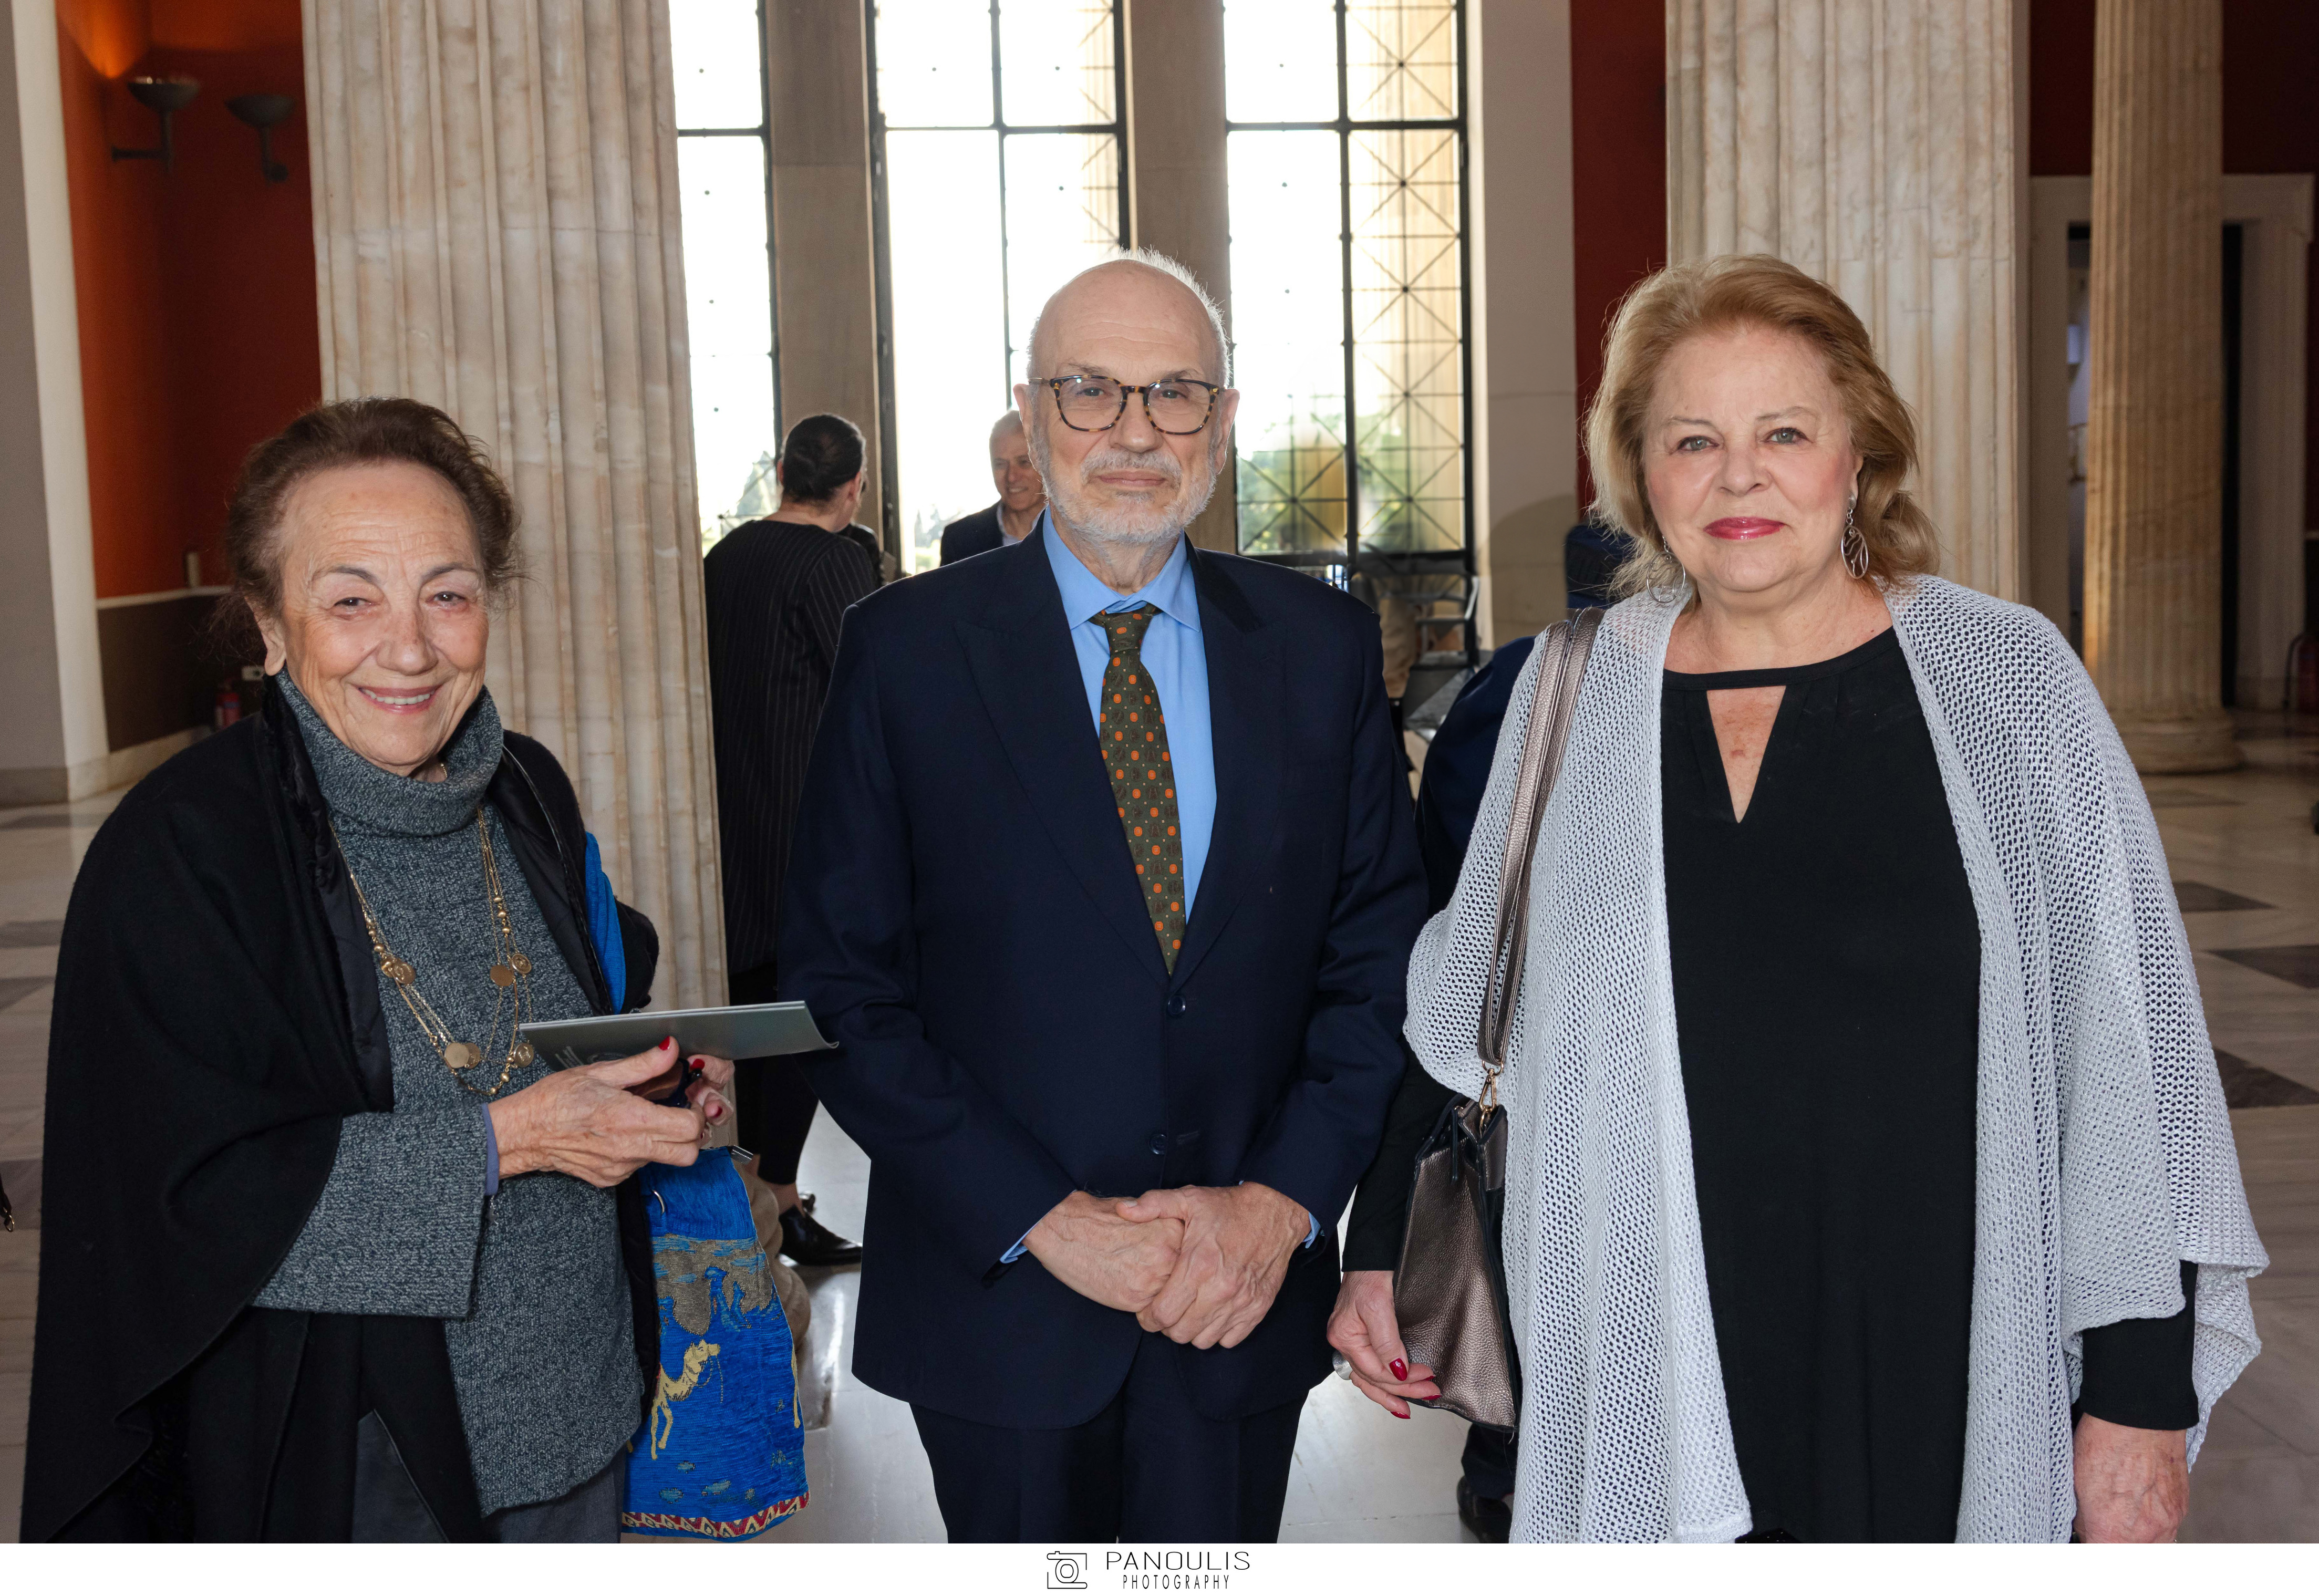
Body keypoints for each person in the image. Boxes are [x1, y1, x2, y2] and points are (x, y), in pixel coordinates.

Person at [1338, 254, 2269, 1542]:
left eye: (1782, 433)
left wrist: (2135, 1395)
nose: (1738, 477)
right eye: (1692, 440)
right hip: (1648, 1346)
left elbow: (2124, 1066)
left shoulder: (2004, 685)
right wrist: (1375, 1249)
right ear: (1638, 473)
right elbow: (1465, 999)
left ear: (1856, 452)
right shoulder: (1559, 694)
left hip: (1933, 1362)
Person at [781, 251, 1428, 1542]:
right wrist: (1046, 1222)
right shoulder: (905, 652)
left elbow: (1383, 960)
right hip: (1001, 1301)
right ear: (1030, 417)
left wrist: (1280, 1204)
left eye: (1173, 393)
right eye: (1089, 391)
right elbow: (841, 984)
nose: (1134, 432)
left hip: (1235, 1293)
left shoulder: (1318, 649)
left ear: (1222, 421)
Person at [21, 398, 734, 1542]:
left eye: (446, 594)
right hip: (362, 1465)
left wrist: (653, 1085)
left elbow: (564, 1024)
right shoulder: (183, 854)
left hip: (585, 1407)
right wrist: (511, 1140)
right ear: (269, 624)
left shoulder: (528, 789)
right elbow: (186, 1213)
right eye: (350, 599)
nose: (408, 648)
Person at [706, 413, 880, 1267]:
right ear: (854, 487)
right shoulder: (834, 561)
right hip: (805, 823)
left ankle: (751, 1199)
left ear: (781, 472)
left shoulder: (723, 556)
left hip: (726, 815)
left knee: (748, 1019)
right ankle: (775, 1200)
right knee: (806, 1021)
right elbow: (870, 692)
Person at [939, 411, 1047, 563]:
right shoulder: (960, 539)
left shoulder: (1075, 532)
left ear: (1046, 462)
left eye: (1024, 462)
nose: (1011, 477)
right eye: (1000, 464)